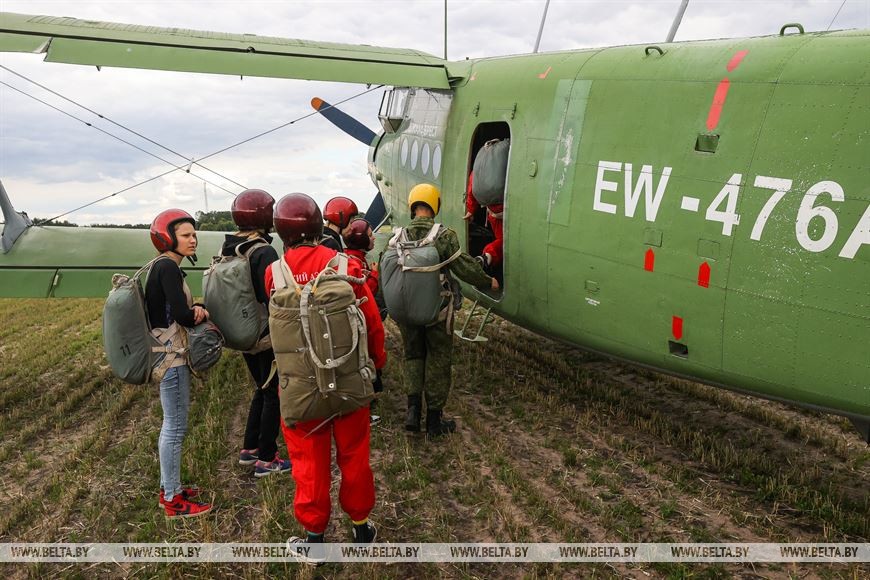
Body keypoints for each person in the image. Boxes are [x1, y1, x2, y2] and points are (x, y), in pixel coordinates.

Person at [265, 193, 385, 547]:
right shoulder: (347, 266)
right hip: (348, 381)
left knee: (308, 463)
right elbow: (372, 322)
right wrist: (375, 365)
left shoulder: (274, 273)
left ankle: (314, 537)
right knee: (355, 456)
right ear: (319, 224)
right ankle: (361, 527)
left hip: (300, 389)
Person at [392, 184, 499, 437]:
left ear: (412, 206)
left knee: (413, 356)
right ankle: (434, 422)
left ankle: (412, 412)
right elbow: (463, 268)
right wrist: (488, 281)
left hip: (407, 309)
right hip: (436, 311)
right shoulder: (444, 236)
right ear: (435, 205)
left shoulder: (398, 237)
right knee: (438, 360)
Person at [146, 209, 212, 518]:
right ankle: (172, 499)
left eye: (194, 234)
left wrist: (192, 308)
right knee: (174, 427)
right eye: (186, 235)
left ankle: (169, 488)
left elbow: (175, 309)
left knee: (173, 424)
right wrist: (199, 311)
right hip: (171, 358)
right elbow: (183, 316)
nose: (193, 240)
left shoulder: (162, 266)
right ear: (167, 237)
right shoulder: (168, 268)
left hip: (167, 353)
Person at [221, 189, 291, 478]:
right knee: (273, 392)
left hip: (242, 332)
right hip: (264, 334)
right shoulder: (263, 251)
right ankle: (267, 458)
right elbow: (272, 295)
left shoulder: (229, 248)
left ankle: (250, 448)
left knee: (261, 388)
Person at [343, 218, 384, 426]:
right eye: (369, 235)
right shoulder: (356, 263)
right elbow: (366, 293)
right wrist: (375, 274)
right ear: (361, 240)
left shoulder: (350, 258)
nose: (373, 237)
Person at [463, 172, 504, 270]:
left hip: (494, 211)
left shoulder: (480, 166)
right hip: (505, 209)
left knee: (503, 241)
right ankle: (488, 256)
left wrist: (471, 209)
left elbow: (474, 183)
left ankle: (487, 257)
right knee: (505, 241)